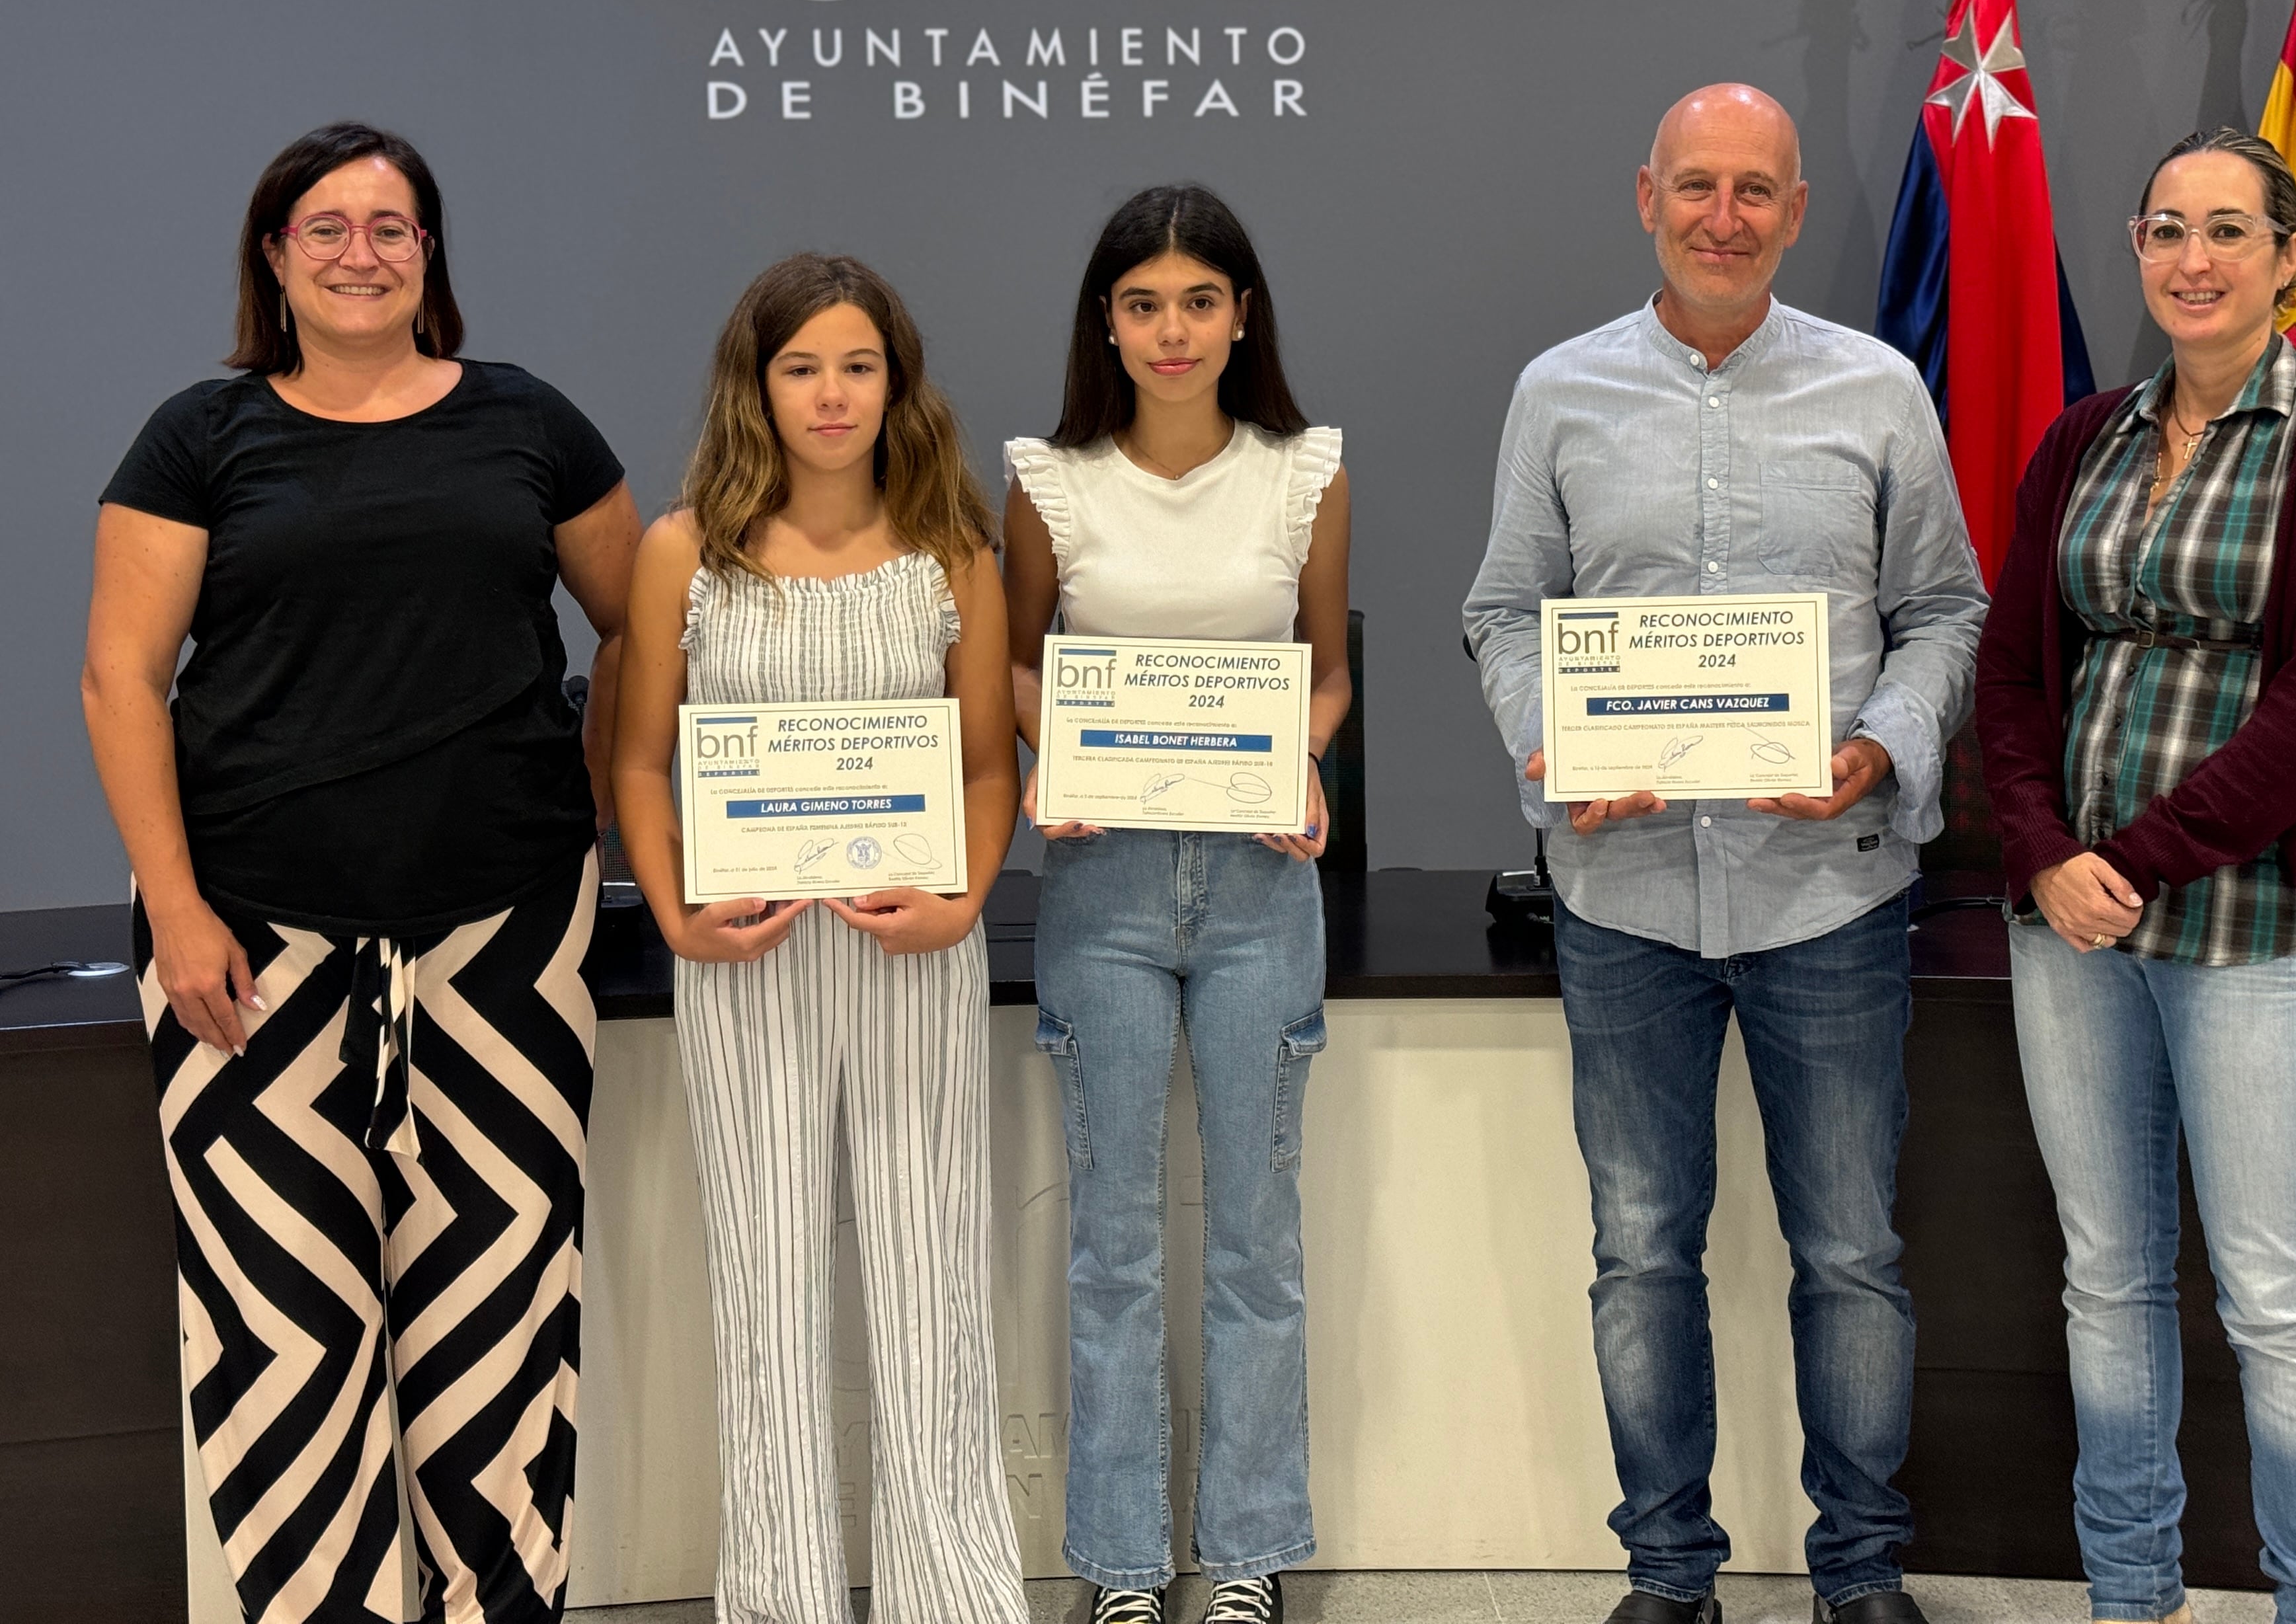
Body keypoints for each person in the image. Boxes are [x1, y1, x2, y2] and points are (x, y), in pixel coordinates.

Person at [81, 121, 640, 1623]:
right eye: (325, 228)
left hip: (506, 950)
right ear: (275, 257)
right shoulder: (202, 437)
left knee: (503, 1326)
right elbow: (119, 681)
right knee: (280, 1341)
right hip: (247, 954)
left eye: (390, 227)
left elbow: (641, 620)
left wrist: (592, 807)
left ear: (430, 254)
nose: (359, 252)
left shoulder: (528, 423)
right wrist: (180, 915)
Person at [1463, 85, 1985, 1624]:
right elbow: (1504, 611)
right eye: (1698, 185)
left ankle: (1862, 1572)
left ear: (1796, 209)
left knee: (1851, 1251)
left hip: (1828, 891)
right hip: (1622, 896)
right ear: (1646, 196)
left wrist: (1881, 745)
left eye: (1756, 189)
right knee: (1640, 1254)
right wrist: (1555, 748)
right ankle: (1669, 1577)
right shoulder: (1557, 394)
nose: (1725, 215)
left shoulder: (1878, 390)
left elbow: (1942, 610)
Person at [1976, 128, 2296, 1624]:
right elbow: (2018, 672)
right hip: (2070, 930)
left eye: (2229, 230)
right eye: (2167, 229)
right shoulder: (2083, 438)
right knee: (2105, 1278)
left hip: (2255, 926)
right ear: (2137, 246)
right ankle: (2129, 1594)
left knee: (2272, 1298)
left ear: (2290, 259)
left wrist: (2132, 860)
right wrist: (2042, 853)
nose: (2195, 259)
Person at [610, 254, 1027, 1624]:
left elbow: (981, 765)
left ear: (898, 380)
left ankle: (951, 1598)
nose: (832, 395)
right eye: (802, 368)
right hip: (748, 958)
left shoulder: (954, 550)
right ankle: (780, 1599)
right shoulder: (687, 552)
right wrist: (675, 914)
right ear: (758, 384)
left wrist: (965, 898)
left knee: (930, 1284)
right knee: (766, 1287)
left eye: (857, 365)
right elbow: (639, 765)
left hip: (916, 951)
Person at [1002, 184, 1350, 1624]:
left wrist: (1306, 758)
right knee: (1115, 1242)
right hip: (1106, 886)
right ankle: (1129, 1568)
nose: (1171, 331)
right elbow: (1022, 666)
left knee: (1259, 1237)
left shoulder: (1307, 472)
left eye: (1198, 301)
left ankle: (1251, 1554)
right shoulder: (1047, 481)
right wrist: (1044, 756)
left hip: (1264, 884)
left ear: (1242, 315)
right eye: (1142, 304)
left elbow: (1324, 667)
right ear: (1107, 323)